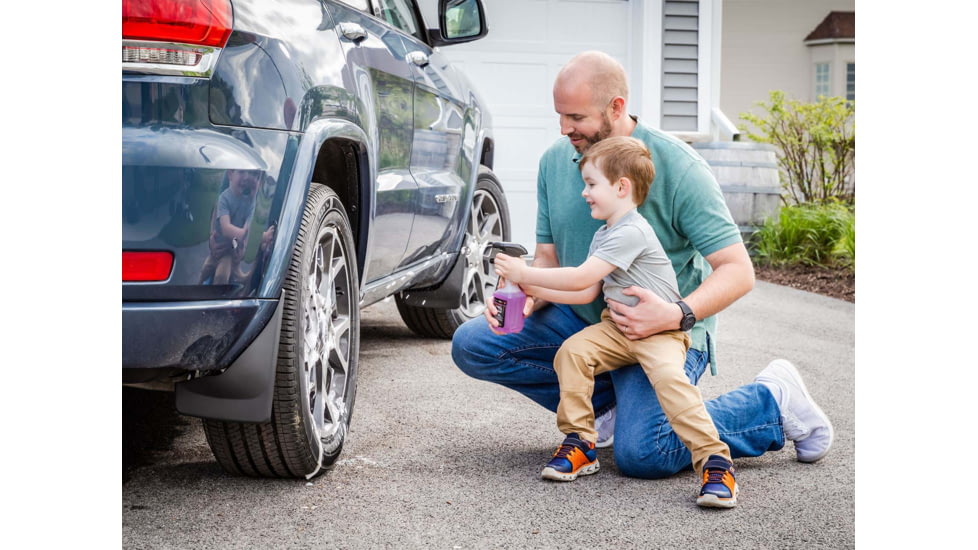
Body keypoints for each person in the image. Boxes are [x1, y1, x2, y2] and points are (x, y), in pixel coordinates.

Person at [450, 51, 834, 497]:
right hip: (592, 319)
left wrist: (676, 314)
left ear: (616, 108)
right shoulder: (557, 161)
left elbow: (738, 271)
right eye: (559, 116)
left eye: (576, 117)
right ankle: (607, 407)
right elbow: (549, 260)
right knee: (476, 344)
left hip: (665, 326)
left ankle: (772, 403)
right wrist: (528, 290)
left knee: (645, 454)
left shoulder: (679, 167)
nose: (564, 129)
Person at [494, 136, 738, 507]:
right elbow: (585, 293)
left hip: (660, 332)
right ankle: (581, 442)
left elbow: (578, 277)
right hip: (618, 327)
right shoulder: (606, 232)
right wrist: (528, 290)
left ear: (622, 187)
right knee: (573, 352)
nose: (584, 193)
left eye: (591, 184)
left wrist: (523, 272)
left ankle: (715, 461)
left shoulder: (632, 231)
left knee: (671, 383)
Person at [199, 168, 260, 285]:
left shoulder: (251, 203)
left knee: (222, 274)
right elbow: (227, 229)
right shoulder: (225, 197)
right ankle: (201, 288)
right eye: (242, 172)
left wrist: (244, 242)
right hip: (221, 242)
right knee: (206, 269)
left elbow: (249, 228)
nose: (247, 177)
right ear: (230, 174)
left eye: (255, 175)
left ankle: (216, 295)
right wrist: (248, 236)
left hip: (231, 248)